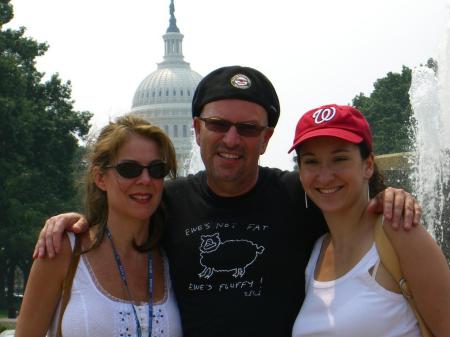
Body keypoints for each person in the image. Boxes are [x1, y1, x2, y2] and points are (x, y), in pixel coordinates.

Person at [33, 66, 421, 337]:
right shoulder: (165, 202)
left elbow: (345, 196)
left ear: (266, 139)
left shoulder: (300, 197)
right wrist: (72, 221)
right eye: (219, 125)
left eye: (248, 128)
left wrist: (390, 195)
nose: (232, 140)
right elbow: (118, 220)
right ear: (197, 130)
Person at [289, 104, 450, 337]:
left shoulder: (399, 231)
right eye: (311, 162)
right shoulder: (315, 251)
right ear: (301, 172)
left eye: (340, 159)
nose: (324, 176)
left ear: (368, 165)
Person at [16, 116, 183, 337]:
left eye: (156, 169)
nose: (145, 179)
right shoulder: (62, 249)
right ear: (100, 177)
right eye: (129, 169)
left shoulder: (174, 253)